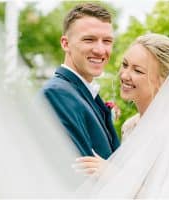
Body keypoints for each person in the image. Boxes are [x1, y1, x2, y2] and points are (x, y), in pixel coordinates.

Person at [74, 33, 169, 198]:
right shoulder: (130, 126)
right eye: (125, 65)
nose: (125, 75)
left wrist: (114, 176)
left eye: (138, 71)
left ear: (164, 81)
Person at [40, 3, 120, 158]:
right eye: (89, 40)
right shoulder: (56, 93)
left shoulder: (83, 93)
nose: (100, 50)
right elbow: (79, 171)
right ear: (65, 43)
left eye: (107, 41)